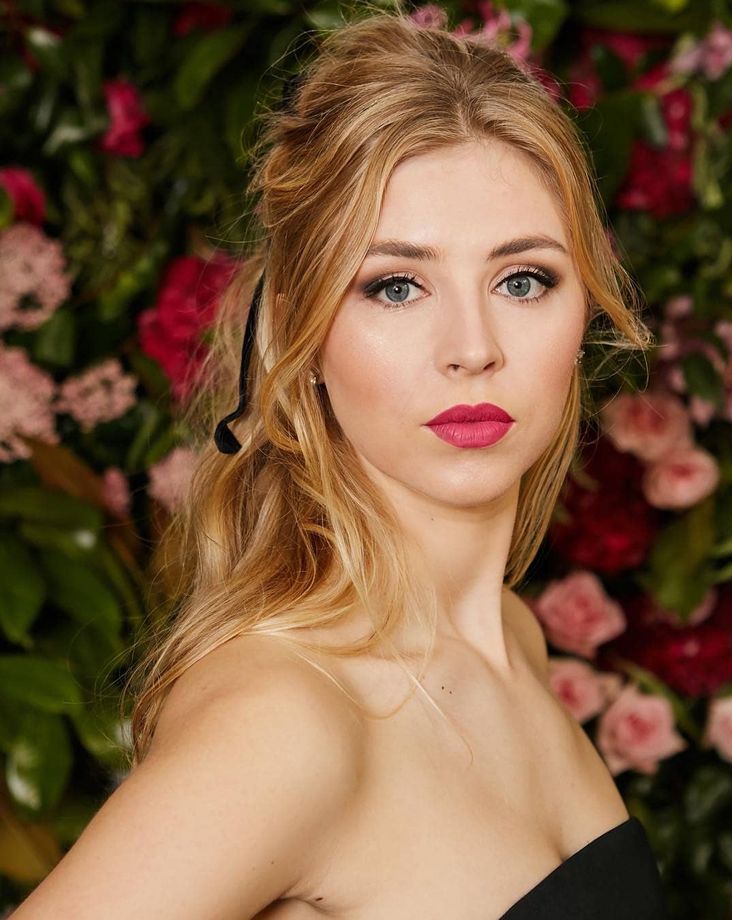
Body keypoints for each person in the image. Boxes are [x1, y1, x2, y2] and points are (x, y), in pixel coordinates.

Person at [10, 5, 668, 920]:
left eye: (523, 280)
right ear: (301, 332)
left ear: (584, 308)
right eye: (395, 285)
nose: (472, 347)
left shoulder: (507, 637)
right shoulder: (290, 721)